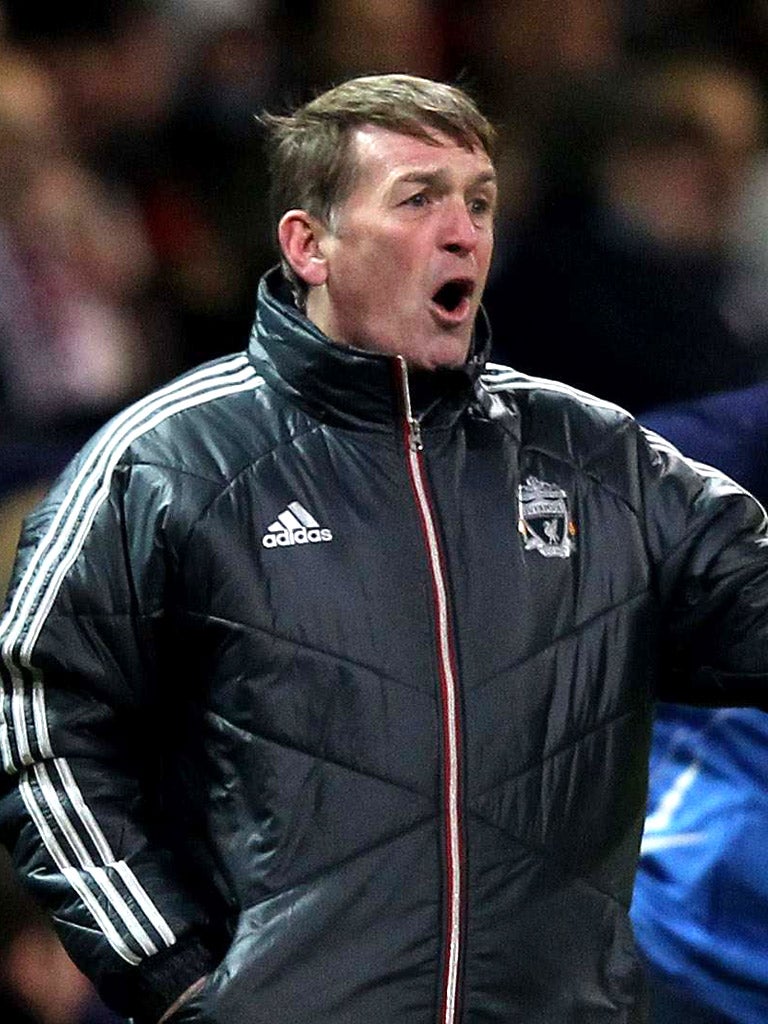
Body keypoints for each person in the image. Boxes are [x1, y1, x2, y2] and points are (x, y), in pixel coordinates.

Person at [1, 72, 767, 1024]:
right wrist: (171, 974)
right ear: (309, 245)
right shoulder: (165, 464)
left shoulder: (598, 458)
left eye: (479, 202)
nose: (463, 232)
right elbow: (42, 724)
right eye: (418, 199)